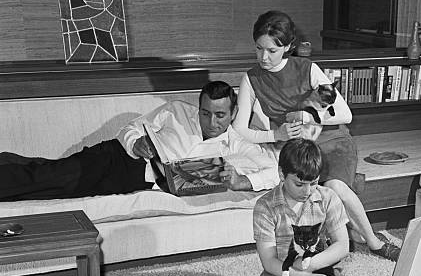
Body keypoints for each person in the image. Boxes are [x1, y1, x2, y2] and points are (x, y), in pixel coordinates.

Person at [233, 9, 400, 262]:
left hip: (334, 141)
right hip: (301, 150)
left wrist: (308, 116)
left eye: (272, 51)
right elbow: (239, 129)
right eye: (258, 49)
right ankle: (335, 239)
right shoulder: (251, 79)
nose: (263, 57)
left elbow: (345, 114)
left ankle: (374, 242)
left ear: (288, 46)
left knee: (333, 187)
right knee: (303, 187)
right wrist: (273, 134)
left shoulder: (307, 68)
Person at [0, 81, 279, 201]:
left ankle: (7, 162)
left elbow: (276, 170)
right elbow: (130, 128)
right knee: (48, 176)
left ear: (233, 114)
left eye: (220, 115)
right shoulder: (177, 110)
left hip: (134, 182)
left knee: (53, 189)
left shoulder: (237, 145)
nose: (211, 122)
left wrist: (243, 182)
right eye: (206, 113)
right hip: (116, 158)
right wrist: (136, 143)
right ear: (199, 107)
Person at [252, 138, 363, 276]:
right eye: (299, 184)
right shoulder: (265, 207)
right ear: (281, 174)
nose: (308, 191)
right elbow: (269, 261)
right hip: (282, 274)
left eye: (313, 183)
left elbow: (342, 245)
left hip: (320, 266)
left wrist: (311, 267)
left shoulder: (327, 197)